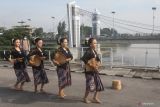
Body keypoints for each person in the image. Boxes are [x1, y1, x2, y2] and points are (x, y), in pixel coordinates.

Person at [81, 38, 104, 104]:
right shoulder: (88, 51)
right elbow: (84, 59)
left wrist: (98, 64)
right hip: (89, 72)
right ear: (90, 44)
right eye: (94, 43)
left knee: (98, 84)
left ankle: (95, 98)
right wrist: (91, 65)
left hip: (94, 70)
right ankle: (85, 98)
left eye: (96, 43)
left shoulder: (94, 51)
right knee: (89, 85)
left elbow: (98, 59)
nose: (95, 44)